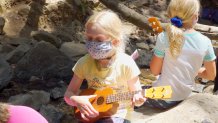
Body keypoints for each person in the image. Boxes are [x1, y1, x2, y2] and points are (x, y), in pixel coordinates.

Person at [64, 11, 145, 123]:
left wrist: (138, 100)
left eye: (99, 40)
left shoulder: (126, 64)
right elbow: (68, 94)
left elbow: (137, 95)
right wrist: (76, 100)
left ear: (115, 42)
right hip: (93, 115)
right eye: (89, 38)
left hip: (120, 115)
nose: (92, 43)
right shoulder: (84, 63)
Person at [147, 0, 216, 109]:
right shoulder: (206, 41)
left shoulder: (164, 37)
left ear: (170, 14)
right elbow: (211, 75)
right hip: (184, 96)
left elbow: (155, 71)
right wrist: (193, 70)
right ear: (195, 16)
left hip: (162, 97)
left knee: (133, 92)